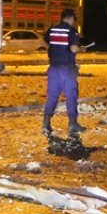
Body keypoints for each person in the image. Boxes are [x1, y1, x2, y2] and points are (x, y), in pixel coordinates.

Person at [43, 9, 85, 138]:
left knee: (52, 96)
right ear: (70, 18)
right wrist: (81, 49)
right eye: (73, 19)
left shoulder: (52, 30)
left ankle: (46, 123)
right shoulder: (72, 31)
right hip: (66, 69)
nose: (73, 22)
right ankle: (73, 124)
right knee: (71, 95)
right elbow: (73, 48)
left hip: (53, 68)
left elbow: (47, 42)